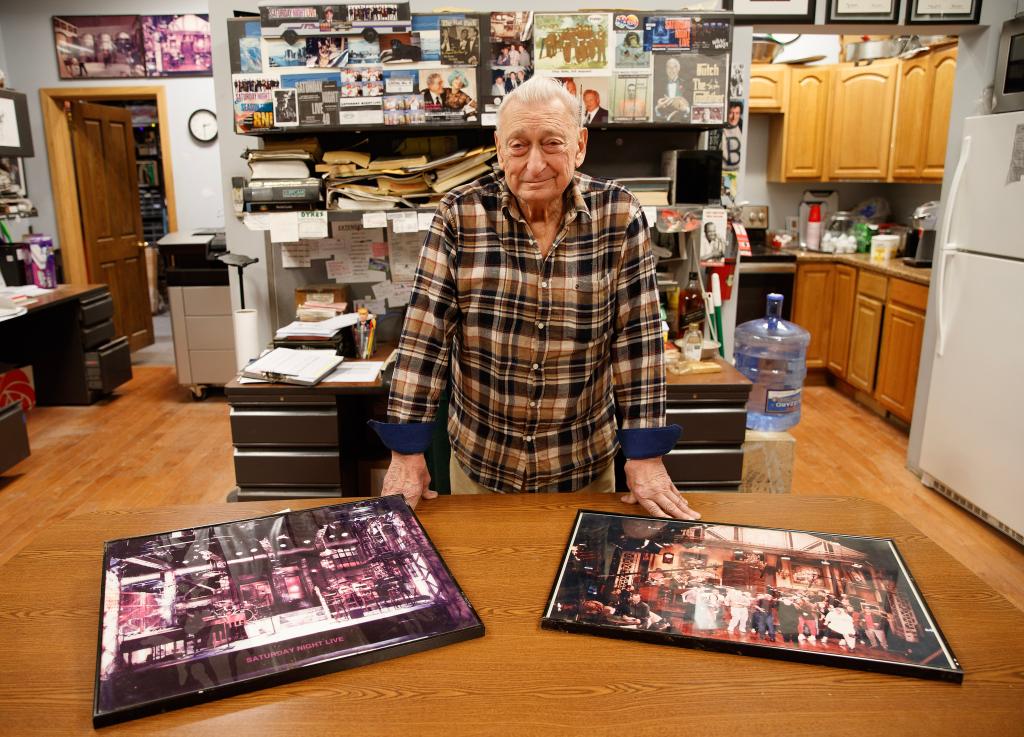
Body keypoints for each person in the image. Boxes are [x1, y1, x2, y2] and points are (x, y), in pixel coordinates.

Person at [370, 77, 699, 519]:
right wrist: (407, 454)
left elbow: (637, 344)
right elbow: (424, 341)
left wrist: (645, 456)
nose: (535, 164)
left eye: (552, 143)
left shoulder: (619, 215)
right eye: (519, 145)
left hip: (583, 465)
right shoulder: (460, 215)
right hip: (481, 464)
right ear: (499, 147)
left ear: (580, 145)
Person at [655, 56, 689, 122]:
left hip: (682, 122)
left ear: (678, 69)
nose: (671, 70)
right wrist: (658, 107)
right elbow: (655, 111)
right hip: (664, 123)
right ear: (666, 69)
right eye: (669, 67)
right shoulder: (659, 85)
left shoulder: (686, 84)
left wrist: (685, 109)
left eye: (674, 67)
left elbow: (691, 108)